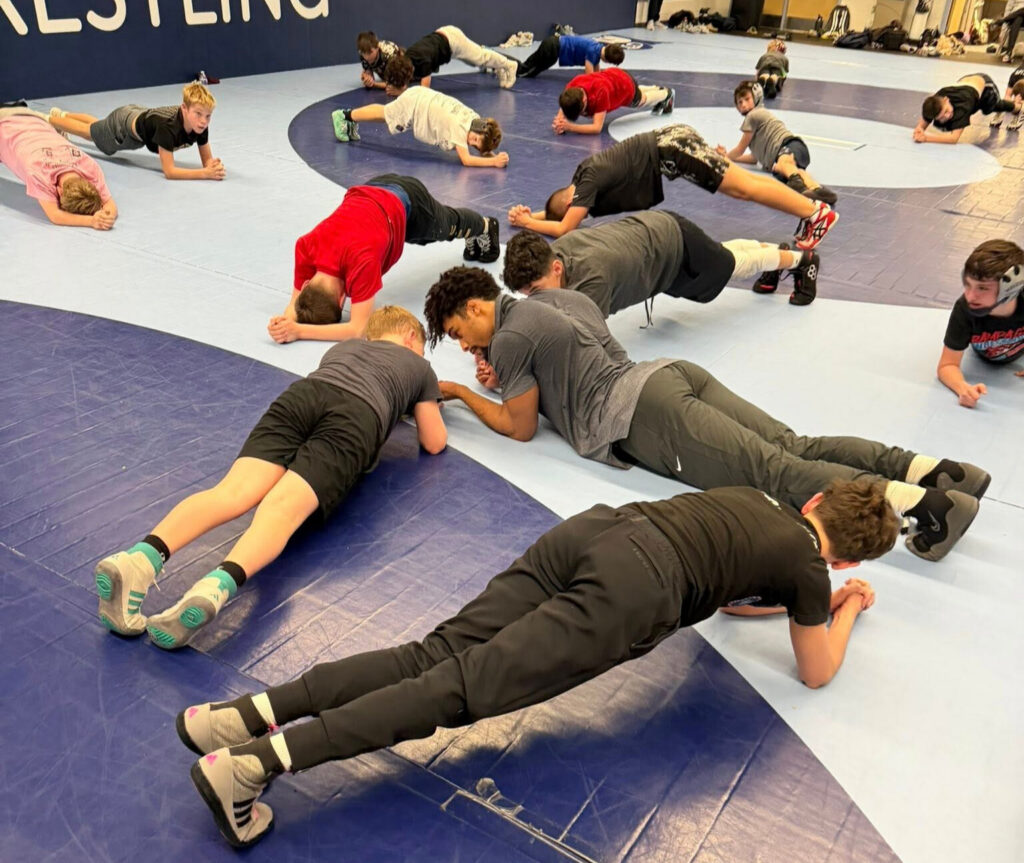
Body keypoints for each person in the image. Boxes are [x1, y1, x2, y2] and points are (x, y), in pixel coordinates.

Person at [180, 476, 892, 847]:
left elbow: (735, 596)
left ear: (815, 499)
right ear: (849, 555)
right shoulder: (811, 569)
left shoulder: (755, 501)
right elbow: (817, 668)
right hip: (631, 593)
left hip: (600, 530)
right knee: (452, 691)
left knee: (433, 653)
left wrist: (799, 594)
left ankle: (238, 717)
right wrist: (846, 604)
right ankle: (249, 767)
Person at [424, 267, 989, 563]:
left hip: (642, 417)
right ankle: (936, 470)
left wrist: (457, 390)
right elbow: (567, 360)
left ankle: (933, 509)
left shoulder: (510, 339)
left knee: (777, 474)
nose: (465, 343)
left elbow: (519, 428)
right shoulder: (553, 299)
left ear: (476, 307)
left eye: (459, 332)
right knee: (797, 444)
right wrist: (504, 371)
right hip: (671, 375)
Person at [94, 306, 446, 649]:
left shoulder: (345, 347)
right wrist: (427, 395)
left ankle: (138, 561)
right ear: (410, 335)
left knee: (231, 493)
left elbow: (347, 383)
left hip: (303, 395)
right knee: (281, 509)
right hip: (356, 417)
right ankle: (212, 587)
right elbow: (433, 441)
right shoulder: (419, 365)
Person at [508, 127, 837, 250]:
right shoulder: (581, 180)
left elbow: (565, 226)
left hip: (674, 151)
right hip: (672, 144)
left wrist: (528, 224)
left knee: (745, 188)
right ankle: (810, 211)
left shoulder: (588, 183)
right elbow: (563, 213)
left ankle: (814, 211)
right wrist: (532, 215)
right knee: (745, 185)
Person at [268, 174, 499, 344]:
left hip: (409, 201)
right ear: (309, 283)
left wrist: (298, 331)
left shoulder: (362, 262)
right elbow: (293, 305)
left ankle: (487, 226)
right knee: (423, 238)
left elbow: (357, 329)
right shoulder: (306, 246)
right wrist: (285, 323)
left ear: (341, 300)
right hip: (374, 190)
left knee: (449, 227)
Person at [501, 211, 821, 310]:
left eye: (535, 289)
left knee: (728, 267)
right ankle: (774, 256)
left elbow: (574, 343)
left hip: (672, 250)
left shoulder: (591, 284)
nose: (534, 298)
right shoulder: (558, 251)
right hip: (656, 232)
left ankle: (801, 259)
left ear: (556, 268)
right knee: (724, 254)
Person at [47, 81, 225, 181]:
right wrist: (205, 173)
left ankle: (63, 115)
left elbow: (207, 161)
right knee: (91, 133)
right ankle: (46, 119)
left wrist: (211, 166)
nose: (203, 121)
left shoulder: (200, 125)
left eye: (208, 116)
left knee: (98, 125)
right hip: (123, 128)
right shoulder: (168, 128)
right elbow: (170, 171)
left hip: (137, 114)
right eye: (198, 114)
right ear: (184, 109)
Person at [330, 87, 508, 170]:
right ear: (478, 128)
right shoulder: (459, 128)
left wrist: (490, 152)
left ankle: (350, 119)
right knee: (385, 114)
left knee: (386, 116)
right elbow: (467, 160)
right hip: (416, 105)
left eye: (475, 144)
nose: (471, 142)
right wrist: (493, 162)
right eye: (474, 139)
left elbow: (480, 142)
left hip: (422, 98)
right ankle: (344, 116)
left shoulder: (474, 118)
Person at [720, 81, 837, 206]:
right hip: (791, 152)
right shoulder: (756, 131)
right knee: (793, 170)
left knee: (783, 164)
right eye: (740, 102)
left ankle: (796, 184)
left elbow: (739, 150)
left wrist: (722, 157)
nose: (743, 104)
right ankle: (816, 189)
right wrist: (728, 156)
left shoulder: (753, 116)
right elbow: (753, 158)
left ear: (756, 96)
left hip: (789, 144)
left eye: (747, 99)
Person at [938, 239, 1024, 408]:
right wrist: (962, 388)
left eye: (982, 288)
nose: (970, 296)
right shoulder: (965, 309)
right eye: (968, 285)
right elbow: (947, 364)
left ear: (1011, 288)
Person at [0, 107, 117, 229]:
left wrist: (105, 218)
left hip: (33, 117)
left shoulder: (90, 167)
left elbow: (109, 205)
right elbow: (55, 215)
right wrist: (92, 221)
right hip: (4, 121)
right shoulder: (37, 172)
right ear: (60, 192)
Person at [381, 26, 518, 91]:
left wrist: (400, 91)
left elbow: (424, 93)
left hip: (453, 42)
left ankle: (509, 65)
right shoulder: (407, 57)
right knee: (475, 61)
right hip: (444, 36)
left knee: (480, 58)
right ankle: (499, 66)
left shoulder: (423, 62)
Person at [554, 67, 673, 135]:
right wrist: (560, 120)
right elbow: (566, 103)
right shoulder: (572, 86)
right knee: (639, 92)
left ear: (584, 99)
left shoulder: (600, 94)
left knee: (640, 100)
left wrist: (570, 127)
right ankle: (656, 88)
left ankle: (666, 94)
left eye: (580, 111)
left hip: (625, 87)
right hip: (614, 75)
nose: (581, 114)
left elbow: (596, 128)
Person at [914, 73, 1021, 143]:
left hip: (985, 86)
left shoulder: (963, 105)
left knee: (992, 107)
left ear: (946, 100)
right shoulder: (934, 103)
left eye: (946, 111)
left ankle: (1018, 107)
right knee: (948, 120)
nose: (947, 115)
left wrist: (926, 138)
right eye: (942, 117)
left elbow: (953, 139)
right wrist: (919, 130)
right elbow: (922, 124)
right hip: (966, 82)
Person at [516, 34, 625, 78]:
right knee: (533, 65)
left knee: (536, 64)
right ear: (607, 60)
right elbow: (590, 75)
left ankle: (517, 70)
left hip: (553, 44)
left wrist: (601, 78)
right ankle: (513, 68)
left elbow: (596, 70)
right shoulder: (593, 52)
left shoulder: (598, 48)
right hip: (553, 46)